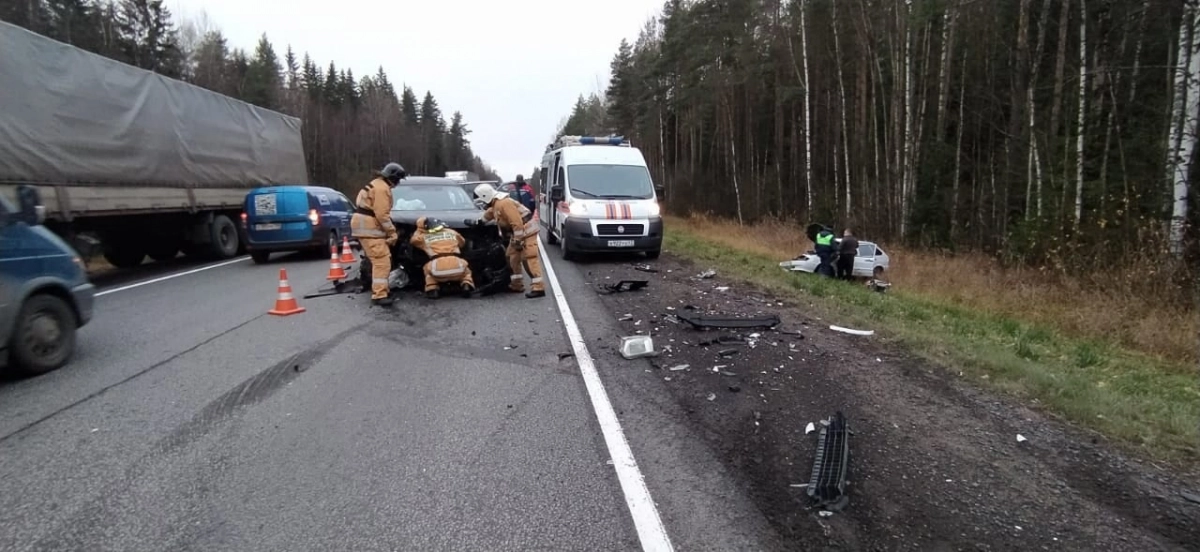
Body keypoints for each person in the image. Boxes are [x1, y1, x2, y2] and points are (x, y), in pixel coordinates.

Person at [473, 183, 545, 298]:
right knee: (511, 256)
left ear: (486, 196)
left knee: (529, 257)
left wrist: (517, 240)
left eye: (482, 200)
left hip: (527, 231)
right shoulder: (497, 204)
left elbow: (517, 223)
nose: (483, 203)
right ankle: (517, 284)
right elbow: (491, 213)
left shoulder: (504, 204)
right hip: (520, 233)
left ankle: (539, 287)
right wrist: (479, 221)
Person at [352, 162, 405, 306]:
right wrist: (392, 233)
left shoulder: (375, 184)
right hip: (369, 228)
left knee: (378, 260)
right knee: (382, 261)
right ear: (393, 178)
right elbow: (382, 215)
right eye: (398, 180)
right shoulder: (382, 189)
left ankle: (381, 290)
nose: (398, 183)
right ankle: (379, 295)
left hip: (363, 226)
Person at [410, 217, 474, 299]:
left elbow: (413, 241)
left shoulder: (423, 237)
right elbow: (462, 243)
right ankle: (466, 284)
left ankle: (432, 289)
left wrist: (419, 230)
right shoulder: (452, 232)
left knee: (427, 270)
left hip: (437, 269)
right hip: (457, 266)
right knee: (466, 271)